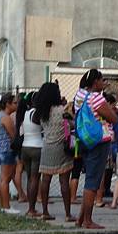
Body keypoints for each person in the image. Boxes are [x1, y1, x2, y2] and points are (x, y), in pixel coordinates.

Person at [73, 69, 118, 229]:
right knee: (93, 181)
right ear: (95, 82)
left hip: (84, 139)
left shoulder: (79, 95)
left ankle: (80, 218)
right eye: (101, 80)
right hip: (99, 140)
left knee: (89, 179)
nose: (104, 83)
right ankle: (88, 220)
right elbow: (113, 118)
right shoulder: (96, 98)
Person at [35, 83, 75, 222]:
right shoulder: (63, 110)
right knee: (64, 181)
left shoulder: (42, 112)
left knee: (45, 180)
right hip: (61, 148)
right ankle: (68, 214)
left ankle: (45, 211)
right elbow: (72, 125)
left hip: (47, 147)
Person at [0, 93, 19, 214]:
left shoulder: (1, 116)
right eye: (14, 102)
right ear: (8, 104)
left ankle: (1, 204)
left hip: (1, 149)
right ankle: (6, 206)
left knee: (2, 179)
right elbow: (13, 135)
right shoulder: (6, 118)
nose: (16, 105)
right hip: (7, 150)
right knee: (5, 179)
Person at [20, 92, 43, 217]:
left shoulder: (25, 113)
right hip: (37, 147)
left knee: (29, 178)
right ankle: (32, 209)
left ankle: (30, 208)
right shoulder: (38, 114)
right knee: (35, 179)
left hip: (25, 147)